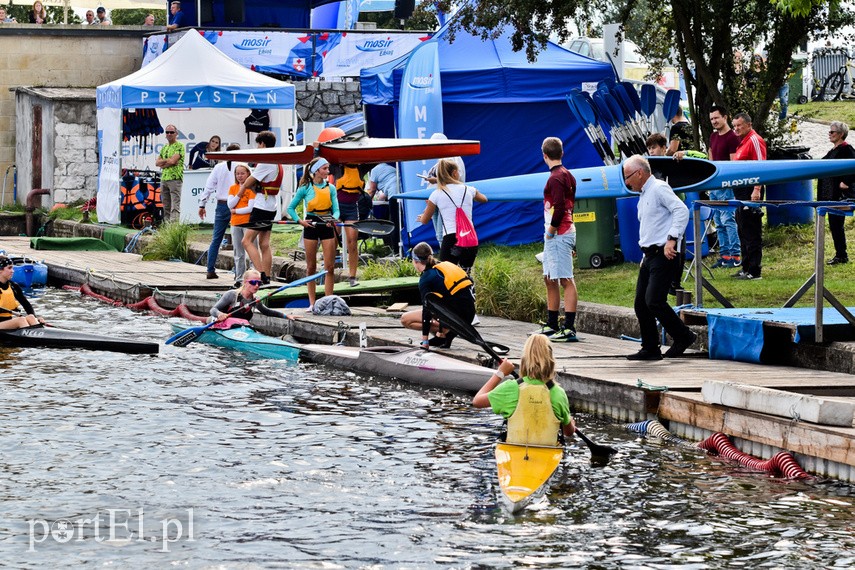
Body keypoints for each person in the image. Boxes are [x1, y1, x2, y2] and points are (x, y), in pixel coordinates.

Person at [623, 155, 696, 360]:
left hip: (664, 253)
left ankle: (684, 336)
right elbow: (651, 224)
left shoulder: (659, 188)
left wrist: (672, 239)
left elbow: (681, 210)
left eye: (628, 177)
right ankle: (650, 347)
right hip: (649, 255)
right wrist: (644, 252)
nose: (626, 182)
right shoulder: (644, 194)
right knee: (640, 303)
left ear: (639, 173)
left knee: (654, 300)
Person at [472, 334, 576, 443]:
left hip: (516, 451)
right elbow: (568, 432)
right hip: (547, 452)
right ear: (550, 361)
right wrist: (572, 425)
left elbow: (477, 401)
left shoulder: (511, 388)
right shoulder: (558, 392)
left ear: (524, 361)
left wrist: (500, 373)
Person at [534, 136, 578, 342]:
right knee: (549, 278)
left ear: (544, 156)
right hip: (557, 232)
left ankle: (569, 327)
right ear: (562, 153)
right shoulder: (567, 175)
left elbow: (560, 207)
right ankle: (552, 324)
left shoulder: (556, 178)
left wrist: (551, 231)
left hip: (559, 233)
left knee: (565, 279)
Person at [416, 158, 487, 275]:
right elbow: (484, 199)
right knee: (466, 274)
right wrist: (474, 192)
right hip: (470, 239)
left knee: (446, 275)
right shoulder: (469, 189)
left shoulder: (436, 194)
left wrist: (421, 217)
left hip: (451, 240)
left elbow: (425, 220)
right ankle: (469, 292)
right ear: (454, 173)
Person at [287, 157, 340, 311]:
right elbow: (290, 209)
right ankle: (312, 303)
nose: (328, 171)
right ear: (316, 170)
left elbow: (336, 209)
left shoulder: (331, 188)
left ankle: (329, 302)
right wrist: (300, 221)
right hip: (311, 223)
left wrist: (334, 219)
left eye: (328, 168)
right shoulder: (305, 187)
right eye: (325, 169)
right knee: (311, 267)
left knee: (329, 267)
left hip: (327, 223)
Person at [400, 242, 475, 349]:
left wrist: (425, 341)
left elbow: (426, 310)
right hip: (469, 315)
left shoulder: (426, 279)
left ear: (415, 261)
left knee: (405, 319)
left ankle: (445, 330)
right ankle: (443, 335)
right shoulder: (442, 266)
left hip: (456, 318)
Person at [236, 131, 284, 286]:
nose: (257, 147)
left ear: (263, 144)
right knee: (264, 244)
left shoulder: (266, 162)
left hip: (262, 206)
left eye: (258, 144)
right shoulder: (277, 161)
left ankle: (261, 274)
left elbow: (250, 181)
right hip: (272, 205)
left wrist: (240, 192)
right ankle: (268, 277)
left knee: (246, 241)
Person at [731, 112, 767, 280]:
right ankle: (745, 267)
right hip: (740, 192)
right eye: (735, 125)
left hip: (750, 191)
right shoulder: (742, 142)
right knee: (742, 230)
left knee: (752, 231)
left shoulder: (754, 140)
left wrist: (757, 189)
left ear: (749, 125)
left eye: (739, 125)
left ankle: (754, 270)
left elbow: (761, 166)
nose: (736, 128)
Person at [707, 105, 742, 269]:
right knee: (718, 222)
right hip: (714, 186)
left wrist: (725, 182)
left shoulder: (732, 137)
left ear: (725, 117)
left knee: (728, 220)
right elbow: (711, 159)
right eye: (712, 119)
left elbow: (733, 164)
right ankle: (724, 255)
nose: (714, 121)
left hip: (726, 185)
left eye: (716, 118)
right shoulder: (713, 137)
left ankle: (735, 255)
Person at [198, 142, 239, 279]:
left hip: (222, 204)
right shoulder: (243, 167)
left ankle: (210, 269)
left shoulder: (218, 167)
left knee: (216, 239)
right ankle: (239, 272)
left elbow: (209, 187)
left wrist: (202, 204)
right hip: (238, 205)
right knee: (240, 239)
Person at [819, 121, 855, 265]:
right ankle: (840, 254)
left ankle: (842, 255)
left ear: (840, 134)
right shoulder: (833, 150)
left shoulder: (847, 149)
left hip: (840, 195)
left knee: (836, 224)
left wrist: (846, 182)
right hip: (830, 194)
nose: (830, 134)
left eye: (832, 132)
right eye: (829, 131)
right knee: (834, 224)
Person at [210, 269, 291, 326]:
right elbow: (213, 310)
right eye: (253, 282)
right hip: (220, 324)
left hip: (238, 328)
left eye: (259, 283)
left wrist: (285, 316)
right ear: (245, 282)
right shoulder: (232, 295)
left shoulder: (256, 300)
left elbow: (267, 312)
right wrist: (220, 314)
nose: (256, 286)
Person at [336, 163, 368, 286]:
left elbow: (374, 160)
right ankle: (327, 272)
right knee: (332, 241)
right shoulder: (338, 167)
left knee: (352, 243)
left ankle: (352, 277)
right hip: (337, 208)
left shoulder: (361, 168)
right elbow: (321, 163)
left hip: (352, 210)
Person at [227, 164, 256, 283]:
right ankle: (239, 277)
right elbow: (230, 204)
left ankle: (254, 276)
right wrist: (240, 192)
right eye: (237, 174)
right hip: (235, 223)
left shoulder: (252, 188)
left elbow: (250, 208)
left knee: (252, 250)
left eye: (242, 173)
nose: (240, 176)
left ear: (248, 174)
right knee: (238, 253)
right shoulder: (233, 188)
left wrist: (235, 211)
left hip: (248, 222)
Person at [0, 256, 44, 330]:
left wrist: (36, 319)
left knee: (31, 317)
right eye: (9, 268)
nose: (13, 271)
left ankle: (41, 334)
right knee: (20, 320)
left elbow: (26, 304)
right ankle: (32, 339)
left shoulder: (13, 286)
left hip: (7, 321)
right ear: (0, 270)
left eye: (13, 268)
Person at [155, 124, 184, 223]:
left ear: (176, 134)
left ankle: (174, 228)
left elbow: (173, 161)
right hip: (164, 178)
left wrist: (164, 163)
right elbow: (157, 163)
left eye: (171, 132)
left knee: (175, 205)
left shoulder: (180, 146)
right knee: (166, 205)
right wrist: (168, 161)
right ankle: (167, 227)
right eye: (167, 132)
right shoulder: (165, 147)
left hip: (175, 178)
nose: (169, 134)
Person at [368, 162, 399, 251]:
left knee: (394, 223)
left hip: (394, 195)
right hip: (401, 193)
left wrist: (367, 202)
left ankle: (396, 250)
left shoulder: (374, 170)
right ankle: (399, 248)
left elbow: (372, 190)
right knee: (399, 222)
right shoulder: (389, 168)